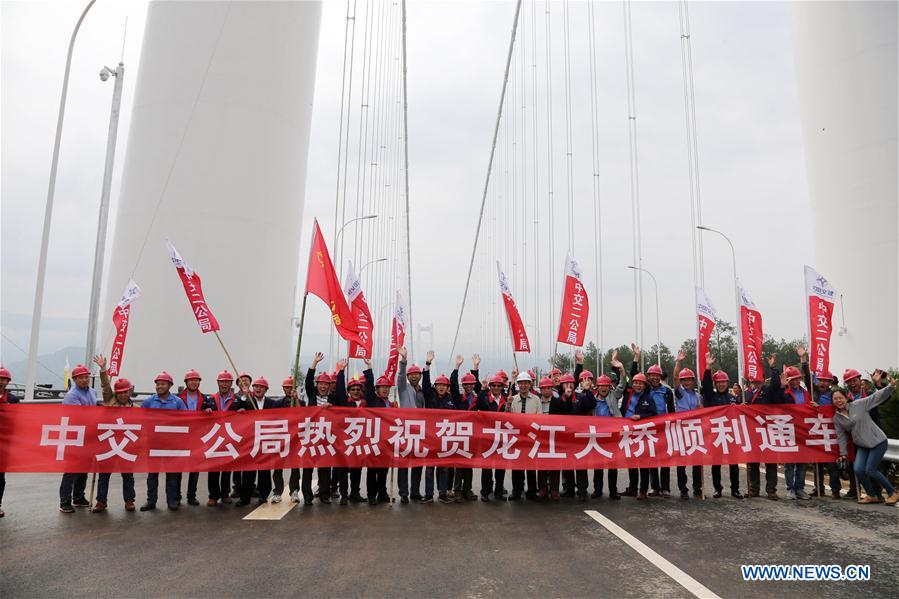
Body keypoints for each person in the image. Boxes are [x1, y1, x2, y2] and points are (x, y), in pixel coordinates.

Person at [833, 370, 898, 505]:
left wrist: (890, 387)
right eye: (835, 399)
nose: (838, 401)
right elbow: (841, 437)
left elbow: (876, 397)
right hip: (862, 445)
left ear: (846, 398)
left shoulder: (859, 404)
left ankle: (893, 492)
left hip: (877, 441)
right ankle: (872, 495)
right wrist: (843, 454)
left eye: (841, 398)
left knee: (871, 469)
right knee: (858, 469)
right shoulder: (837, 418)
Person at [92, 362, 136, 513]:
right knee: (104, 475)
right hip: (108, 443)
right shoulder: (110, 401)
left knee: (128, 475)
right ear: (116, 393)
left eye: (126, 392)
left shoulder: (137, 410)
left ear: (130, 392)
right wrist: (103, 370)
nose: (123, 395)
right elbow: (105, 386)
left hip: (126, 445)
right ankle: (101, 501)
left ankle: (129, 500)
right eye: (120, 392)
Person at [140, 372, 188, 511]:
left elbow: (186, 420)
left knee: (172, 474)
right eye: (158, 384)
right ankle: (151, 501)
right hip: (153, 444)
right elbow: (138, 418)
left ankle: (172, 500)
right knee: (152, 474)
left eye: (162, 384)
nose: (159, 386)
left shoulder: (177, 402)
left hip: (172, 445)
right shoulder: (149, 401)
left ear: (170, 385)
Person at [768, 352, 812, 500]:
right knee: (790, 462)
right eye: (792, 379)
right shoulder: (784, 393)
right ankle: (790, 488)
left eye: (797, 379)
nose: (795, 382)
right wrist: (781, 385)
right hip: (788, 430)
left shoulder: (806, 393)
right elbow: (776, 401)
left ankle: (800, 488)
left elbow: (811, 407)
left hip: (804, 430)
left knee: (803, 461)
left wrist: (803, 360)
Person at [700, 354, 743, 499]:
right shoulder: (711, 397)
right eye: (718, 382)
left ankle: (735, 489)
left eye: (723, 382)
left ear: (727, 383)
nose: (721, 384)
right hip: (716, 434)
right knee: (716, 464)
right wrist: (708, 367)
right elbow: (705, 386)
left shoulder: (733, 398)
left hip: (731, 434)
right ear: (715, 384)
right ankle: (717, 489)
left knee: (733, 464)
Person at [59, 363, 96, 513]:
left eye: (86, 377)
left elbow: (95, 408)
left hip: (89, 436)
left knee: (84, 468)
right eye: (81, 378)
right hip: (75, 436)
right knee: (71, 469)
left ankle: (79, 497)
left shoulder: (92, 391)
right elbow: (78, 416)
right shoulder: (72, 395)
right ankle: (65, 501)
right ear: (74, 379)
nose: (84, 380)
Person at [420, 354, 458, 503]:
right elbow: (425, 384)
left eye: (444, 385)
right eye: (439, 385)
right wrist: (427, 364)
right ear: (435, 387)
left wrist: (456, 369)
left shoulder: (451, 400)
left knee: (444, 468)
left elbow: (455, 388)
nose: (441, 387)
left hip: (445, 439)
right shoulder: (430, 397)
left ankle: (442, 493)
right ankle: (429, 494)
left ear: (447, 387)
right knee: (429, 468)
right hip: (430, 438)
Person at [744, 360, 781, 500]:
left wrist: (773, 368)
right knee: (752, 462)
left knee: (770, 461)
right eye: (754, 377)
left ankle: (771, 490)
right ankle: (753, 489)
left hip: (768, 430)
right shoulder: (746, 393)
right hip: (752, 432)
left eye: (759, 377)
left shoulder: (768, 391)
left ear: (764, 378)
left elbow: (777, 385)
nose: (756, 380)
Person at [177, 369, 214, 506]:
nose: (194, 382)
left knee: (195, 468)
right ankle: (176, 496)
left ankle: (191, 496)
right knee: (178, 468)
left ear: (199, 382)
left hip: (198, 437)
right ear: (186, 382)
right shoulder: (178, 398)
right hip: (181, 436)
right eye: (191, 380)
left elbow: (213, 414)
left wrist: (209, 411)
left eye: (196, 380)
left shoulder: (206, 399)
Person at [591, 353, 625, 499]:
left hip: (612, 435)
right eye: (601, 386)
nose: (603, 388)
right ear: (597, 387)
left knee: (613, 464)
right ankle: (597, 490)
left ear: (609, 386)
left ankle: (613, 490)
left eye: (606, 385)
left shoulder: (614, 395)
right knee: (597, 465)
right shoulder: (591, 400)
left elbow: (623, 383)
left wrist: (621, 369)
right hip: (597, 435)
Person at [303, 352, 334, 505]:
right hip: (310, 436)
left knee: (324, 468)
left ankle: (324, 495)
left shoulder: (333, 399)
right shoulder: (311, 396)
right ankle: (307, 497)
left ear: (329, 386)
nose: (323, 386)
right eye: (320, 383)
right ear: (317, 385)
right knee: (307, 468)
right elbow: (308, 381)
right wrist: (314, 363)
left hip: (326, 437)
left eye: (326, 384)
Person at [449, 354, 481, 501]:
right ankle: (457, 490)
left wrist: (475, 369)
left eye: (471, 384)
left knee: (469, 464)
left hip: (472, 436)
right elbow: (453, 386)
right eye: (466, 384)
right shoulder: (458, 398)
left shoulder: (477, 399)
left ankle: (467, 489)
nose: (468, 386)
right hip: (459, 435)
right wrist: (456, 368)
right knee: (459, 464)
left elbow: (481, 388)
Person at [506, 371, 542, 501]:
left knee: (531, 466)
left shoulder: (536, 399)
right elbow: (507, 417)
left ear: (530, 384)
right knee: (517, 466)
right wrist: (508, 404)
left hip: (531, 436)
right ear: (518, 385)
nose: (523, 386)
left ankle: (531, 491)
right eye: (521, 383)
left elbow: (540, 418)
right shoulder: (513, 399)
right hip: (517, 437)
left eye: (526, 383)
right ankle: (517, 490)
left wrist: (531, 432)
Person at [672, 351, 703, 499]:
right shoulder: (679, 393)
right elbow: (675, 378)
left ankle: (698, 489)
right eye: (684, 380)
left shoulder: (697, 396)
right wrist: (678, 362)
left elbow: (703, 411)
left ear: (693, 380)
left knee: (697, 462)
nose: (687, 382)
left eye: (689, 380)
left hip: (695, 431)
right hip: (681, 431)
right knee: (682, 462)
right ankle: (683, 489)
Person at [396, 346, 425, 504]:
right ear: (408, 376)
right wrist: (403, 361)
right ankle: (404, 493)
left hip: (421, 431)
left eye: (417, 374)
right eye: (411, 374)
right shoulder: (402, 388)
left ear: (420, 376)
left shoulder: (423, 391)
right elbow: (400, 376)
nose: (414, 376)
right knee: (403, 463)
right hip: (405, 430)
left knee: (418, 463)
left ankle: (415, 491)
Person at [621, 372, 657, 500]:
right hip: (628, 432)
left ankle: (643, 490)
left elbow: (654, 415)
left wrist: (641, 417)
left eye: (640, 383)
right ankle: (632, 488)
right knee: (630, 461)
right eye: (635, 382)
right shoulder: (628, 395)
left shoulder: (648, 398)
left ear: (644, 385)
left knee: (642, 463)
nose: (637, 385)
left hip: (642, 433)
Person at [270, 376, 303, 504]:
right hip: (281, 439)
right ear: (283, 388)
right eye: (287, 387)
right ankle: (277, 492)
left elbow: (303, 415)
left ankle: (294, 490)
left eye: (291, 387)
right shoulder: (277, 404)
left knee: (295, 466)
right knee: (278, 466)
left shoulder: (301, 403)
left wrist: (296, 400)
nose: (289, 389)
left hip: (295, 440)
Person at [644, 360, 674, 497]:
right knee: (652, 458)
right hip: (649, 428)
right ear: (648, 376)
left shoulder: (667, 391)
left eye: (657, 375)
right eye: (652, 375)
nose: (655, 377)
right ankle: (654, 487)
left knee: (665, 458)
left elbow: (672, 410)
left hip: (664, 428)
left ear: (660, 377)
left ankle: (665, 487)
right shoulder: (645, 390)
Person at [335, 369, 365, 504]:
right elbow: (340, 390)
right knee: (343, 470)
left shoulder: (367, 404)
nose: (356, 391)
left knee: (356, 470)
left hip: (360, 441)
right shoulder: (345, 403)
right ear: (349, 391)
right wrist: (341, 372)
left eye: (358, 389)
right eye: (353, 389)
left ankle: (355, 493)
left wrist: (369, 369)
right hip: (345, 442)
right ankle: (344, 495)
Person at [474, 373, 504, 501]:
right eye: (493, 386)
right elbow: (479, 405)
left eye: (498, 386)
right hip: (488, 437)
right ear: (490, 387)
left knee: (501, 467)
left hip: (503, 437)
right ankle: (485, 492)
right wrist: (482, 388)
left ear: (502, 387)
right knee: (487, 466)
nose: (496, 388)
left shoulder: (506, 399)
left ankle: (498, 492)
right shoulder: (485, 398)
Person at [364, 369, 392, 505]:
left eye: (387, 387)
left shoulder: (390, 404)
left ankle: (382, 493)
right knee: (372, 470)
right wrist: (369, 370)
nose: (385, 390)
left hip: (386, 442)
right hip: (373, 440)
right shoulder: (372, 400)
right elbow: (368, 388)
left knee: (383, 470)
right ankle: (371, 495)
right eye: (382, 387)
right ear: (377, 389)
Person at [209, 370, 237, 505]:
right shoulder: (210, 399)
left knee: (227, 468)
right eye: (222, 382)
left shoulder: (236, 400)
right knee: (213, 468)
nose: (224, 384)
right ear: (218, 383)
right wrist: (205, 410)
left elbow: (247, 411)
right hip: (214, 437)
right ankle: (213, 496)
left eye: (227, 382)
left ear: (231, 384)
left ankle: (225, 493)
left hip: (229, 437)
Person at [228, 378, 256, 506]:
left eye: (246, 380)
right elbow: (232, 409)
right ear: (237, 384)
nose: (244, 382)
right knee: (238, 464)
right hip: (238, 435)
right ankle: (237, 487)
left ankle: (250, 489)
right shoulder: (234, 396)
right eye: (241, 380)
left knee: (251, 464)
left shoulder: (255, 394)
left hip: (253, 434)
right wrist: (243, 397)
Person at [571, 370, 598, 500]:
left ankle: (582, 490)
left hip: (582, 435)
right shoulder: (571, 395)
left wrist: (588, 391)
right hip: (568, 434)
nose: (585, 382)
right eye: (582, 380)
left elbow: (590, 404)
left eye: (588, 379)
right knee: (568, 463)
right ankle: (569, 488)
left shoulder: (587, 396)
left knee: (581, 464)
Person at [0, 366, 21, 517]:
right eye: (0, 379)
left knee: (0, 477)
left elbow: (18, 420)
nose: (1, 381)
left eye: (4, 379)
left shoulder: (13, 399)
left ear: (8, 382)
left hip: (4, 444)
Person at [535, 376, 557, 498]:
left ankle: (554, 490)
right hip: (540, 436)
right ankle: (543, 489)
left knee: (554, 465)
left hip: (554, 437)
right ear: (540, 390)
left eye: (549, 388)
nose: (547, 390)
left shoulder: (558, 402)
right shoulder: (536, 401)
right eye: (544, 388)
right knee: (541, 464)